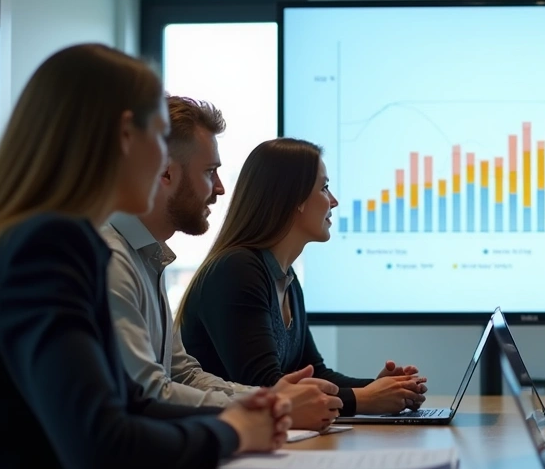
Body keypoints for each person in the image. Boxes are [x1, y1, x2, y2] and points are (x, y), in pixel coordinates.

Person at [0, 44, 289, 469]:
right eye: (157, 137)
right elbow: (104, 446)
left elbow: (129, 404)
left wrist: (247, 415)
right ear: (125, 136)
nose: (163, 163)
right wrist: (235, 432)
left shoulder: (43, 237)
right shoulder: (49, 245)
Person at [101, 96, 342, 432]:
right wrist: (273, 405)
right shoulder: (112, 262)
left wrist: (266, 401)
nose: (220, 188)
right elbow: (150, 391)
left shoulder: (147, 258)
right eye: (210, 172)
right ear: (166, 173)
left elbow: (182, 374)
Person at [178, 138, 428, 417]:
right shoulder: (237, 270)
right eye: (324, 188)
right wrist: (363, 399)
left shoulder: (286, 278)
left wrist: (384, 389)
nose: (333, 201)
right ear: (293, 199)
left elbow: (314, 371)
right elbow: (265, 386)